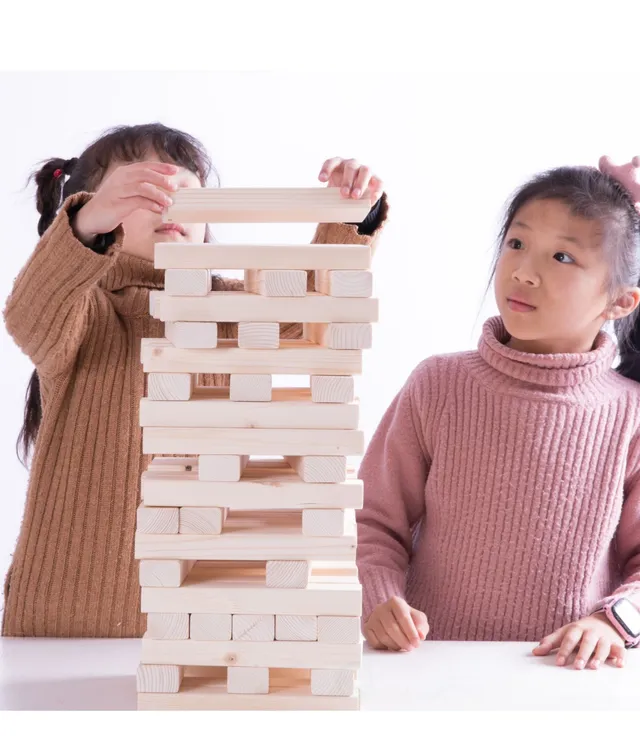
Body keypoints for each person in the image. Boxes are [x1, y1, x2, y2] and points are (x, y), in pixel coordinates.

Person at [2, 123, 388, 637]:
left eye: (187, 193)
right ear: (100, 208)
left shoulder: (229, 308)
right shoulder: (87, 311)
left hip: (203, 619)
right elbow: (31, 311)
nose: (169, 205)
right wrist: (86, 222)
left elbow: (311, 308)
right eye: (144, 191)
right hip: (67, 614)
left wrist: (350, 212)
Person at [357, 156, 640, 670]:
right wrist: (378, 598)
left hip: (567, 681)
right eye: (516, 243)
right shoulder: (438, 383)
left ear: (621, 301)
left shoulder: (630, 412)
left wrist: (611, 623)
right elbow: (373, 521)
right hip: (428, 668)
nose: (524, 272)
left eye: (562, 257)